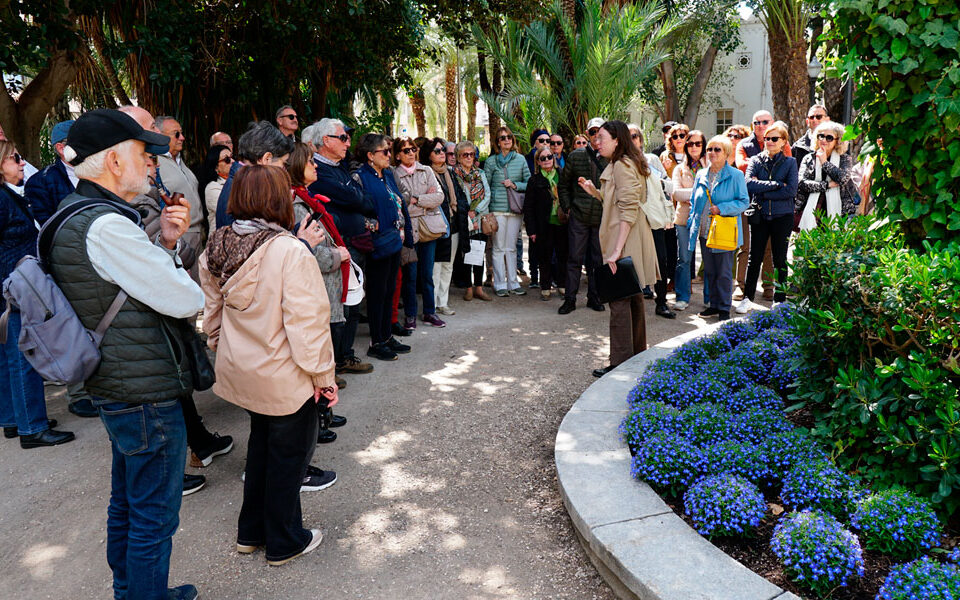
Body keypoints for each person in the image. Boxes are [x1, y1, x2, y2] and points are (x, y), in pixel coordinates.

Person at [49, 108, 203, 600]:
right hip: (143, 390)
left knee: (130, 505)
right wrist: (172, 258)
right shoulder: (107, 227)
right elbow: (186, 299)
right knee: (153, 514)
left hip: (119, 382)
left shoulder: (76, 212)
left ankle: (132, 592)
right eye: (143, 155)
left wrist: (168, 243)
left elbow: (136, 286)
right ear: (114, 160)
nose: (151, 166)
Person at [200, 165, 335, 567]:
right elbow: (307, 325)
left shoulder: (217, 244)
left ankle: (251, 531)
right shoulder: (289, 250)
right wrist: (324, 378)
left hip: (242, 370)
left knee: (260, 448)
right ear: (278, 200)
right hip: (285, 373)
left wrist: (222, 349)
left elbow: (212, 315)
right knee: (288, 458)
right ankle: (284, 539)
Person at [122, 105, 231, 494]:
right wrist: (174, 243)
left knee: (179, 364)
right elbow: (150, 257)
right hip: (152, 303)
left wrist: (177, 241)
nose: (170, 141)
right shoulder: (122, 205)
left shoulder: (166, 173)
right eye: (148, 145)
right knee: (165, 377)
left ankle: (198, 441)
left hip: (185, 257)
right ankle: (176, 462)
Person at [0, 139, 76, 448]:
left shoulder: (8, 194)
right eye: (15, 158)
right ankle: (31, 426)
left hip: (13, 283)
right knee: (21, 354)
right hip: (14, 286)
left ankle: (13, 419)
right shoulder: (2, 199)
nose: (21, 163)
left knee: (9, 355)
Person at [576, 121, 658, 378]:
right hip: (627, 237)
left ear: (617, 141)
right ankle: (635, 356)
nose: (596, 142)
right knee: (632, 297)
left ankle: (620, 362)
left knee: (619, 300)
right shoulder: (621, 163)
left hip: (625, 239)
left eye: (601, 137)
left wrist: (616, 250)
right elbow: (617, 200)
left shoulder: (622, 165)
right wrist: (594, 192)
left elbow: (628, 210)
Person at [302, 119, 376, 376]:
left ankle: (345, 356)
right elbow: (355, 198)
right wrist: (356, 198)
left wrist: (356, 198)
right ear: (326, 141)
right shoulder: (319, 172)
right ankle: (333, 364)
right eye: (343, 138)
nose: (348, 143)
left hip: (352, 244)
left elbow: (364, 199)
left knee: (353, 304)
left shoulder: (340, 167)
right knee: (339, 308)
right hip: (337, 247)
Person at [353, 134, 411, 361]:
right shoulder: (360, 178)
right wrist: (373, 227)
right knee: (377, 294)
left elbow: (398, 202)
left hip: (394, 240)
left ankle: (386, 336)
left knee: (389, 291)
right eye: (384, 152)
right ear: (370, 155)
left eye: (389, 151)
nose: (389, 155)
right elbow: (358, 211)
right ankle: (376, 341)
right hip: (378, 243)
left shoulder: (387, 175)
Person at [686, 135, 749, 321]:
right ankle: (713, 305)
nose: (712, 153)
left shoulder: (736, 175)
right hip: (705, 231)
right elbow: (693, 201)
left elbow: (744, 202)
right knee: (710, 271)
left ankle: (723, 307)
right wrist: (692, 223)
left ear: (727, 153)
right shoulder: (701, 174)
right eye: (710, 149)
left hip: (724, 230)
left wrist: (722, 209)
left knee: (723, 272)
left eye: (717, 149)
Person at [737, 121, 798, 314]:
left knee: (780, 258)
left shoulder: (790, 162)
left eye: (774, 139)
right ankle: (747, 297)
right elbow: (748, 185)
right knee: (754, 258)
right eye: (767, 139)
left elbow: (791, 190)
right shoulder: (755, 160)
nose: (769, 142)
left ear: (783, 142)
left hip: (782, 216)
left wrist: (764, 189)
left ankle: (779, 300)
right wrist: (776, 184)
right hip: (761, 214)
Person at [394, 136, 446, 328]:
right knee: (410, 274)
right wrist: (425, 200)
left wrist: (416, 199)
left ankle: (430, 312)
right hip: (408, 229)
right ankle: (410, 314)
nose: (411, 153)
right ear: (398, 155)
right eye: (406, 150)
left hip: (428, 228)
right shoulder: (394, 175)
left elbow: (439, 197)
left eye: (413, 149)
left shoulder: (427, 170)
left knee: (427, 274)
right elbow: (399, 202)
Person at [734, 110, 786, 301]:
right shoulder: (744, 144)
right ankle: (740, 286)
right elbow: (741, 166)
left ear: (772, 122)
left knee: (768, 250)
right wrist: (768, 172)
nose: (761, 125)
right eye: (757, 122)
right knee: (745, 247)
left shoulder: (782, 142)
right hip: (746, 201)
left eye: (765, 122)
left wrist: (758, 173)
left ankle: (769, 286)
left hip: (771, 204)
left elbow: (785, 170)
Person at [557, 118, 607, 314]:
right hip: (579, 216)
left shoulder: (610, 157)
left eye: (599, 132)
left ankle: (594, 297)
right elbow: (563, 185)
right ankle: (570, 299)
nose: (596, 136)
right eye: (593, 132)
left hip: (601, 217)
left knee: (597, 260)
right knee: (574, 259)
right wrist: (568, 207)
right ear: (587, 133)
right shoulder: (576, 156)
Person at [215, 121, 294, 228]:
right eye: (283, 163)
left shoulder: (240, 182)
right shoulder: (246, 189)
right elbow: (256, 242)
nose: (284, 170)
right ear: (267, 159)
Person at [483, 126, 530, 297]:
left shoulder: (520, 160)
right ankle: (500, 283)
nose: (507, 140)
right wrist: (486, 211)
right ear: (497, 142)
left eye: (509, 137)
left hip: (515, 209)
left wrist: (515, 185)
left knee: (511, 247)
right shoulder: (491, 162)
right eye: (503, 138)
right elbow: (485, 186)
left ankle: (513, 282)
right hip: (497, 209)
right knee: (498, 247)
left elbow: (529, 181)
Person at [428, 138, 470, 315]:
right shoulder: (426, 173)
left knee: (448, 266)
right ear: (428, 154)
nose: (442, 154)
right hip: (436, 226)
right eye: (437, 151)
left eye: (443, 150)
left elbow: (459, 197)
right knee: (435, 268)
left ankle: (443, 302)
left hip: (453, 224)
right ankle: (433, 304)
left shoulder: (450, 173)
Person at [796, 121, 860, 229]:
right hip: (812, 210)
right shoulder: (809, 158)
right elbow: (802, 183)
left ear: (838, 141)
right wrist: (826, 185)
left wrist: (825, 162)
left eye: (829, 138)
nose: (824, 140)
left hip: (840, 211)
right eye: (821, 136)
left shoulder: (844, 159)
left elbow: (842, 179)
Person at [523, 145, 567, 301]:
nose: (547, 160)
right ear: (538, 162)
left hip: (562, 223)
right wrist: (531, 230)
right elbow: (528, 207)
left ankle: (562, 285)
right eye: (543, 158)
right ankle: (546, 287)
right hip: (544, 224)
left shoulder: (562, 175)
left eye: (549, 157)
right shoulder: (534, 180)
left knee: (563, 255)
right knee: (545, 257)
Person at [671, 129, 708, 311]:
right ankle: (682, 297)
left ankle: (709, 298)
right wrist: (700, 193)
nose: (694, 147)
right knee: (684, 258)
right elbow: (676, 193)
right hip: (684, 219)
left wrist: (690, 195)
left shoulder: (710, 166)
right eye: (690, 143)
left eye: (698, 143)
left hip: (707, 218)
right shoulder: (679, 168)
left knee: (709, 259)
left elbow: (714, 193)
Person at [453, 141, 492, 302]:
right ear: (458, 157)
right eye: (465, 155)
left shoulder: (480, 173)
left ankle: (479, 288)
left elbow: (487, 194)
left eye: (471, 154)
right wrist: (467, 214)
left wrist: (475, 211)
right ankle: (468, 288)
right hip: (463, 220)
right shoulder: (454, 174)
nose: (469, 157)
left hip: (479, 218)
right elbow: (455, 196)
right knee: (466, 255)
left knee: (479, 253)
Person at [24, 120, 75, 224]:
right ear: (61, 148)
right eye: (82, 142)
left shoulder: (103, 170)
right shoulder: (41, 183)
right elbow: (48, 226)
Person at [198, 144, 232, 235]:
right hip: (219, 241)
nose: (232, 161)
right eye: (227, 160)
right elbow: (231, 210)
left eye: (232, 157)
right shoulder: (212, 188)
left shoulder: (239, 181)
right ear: (216, 167)